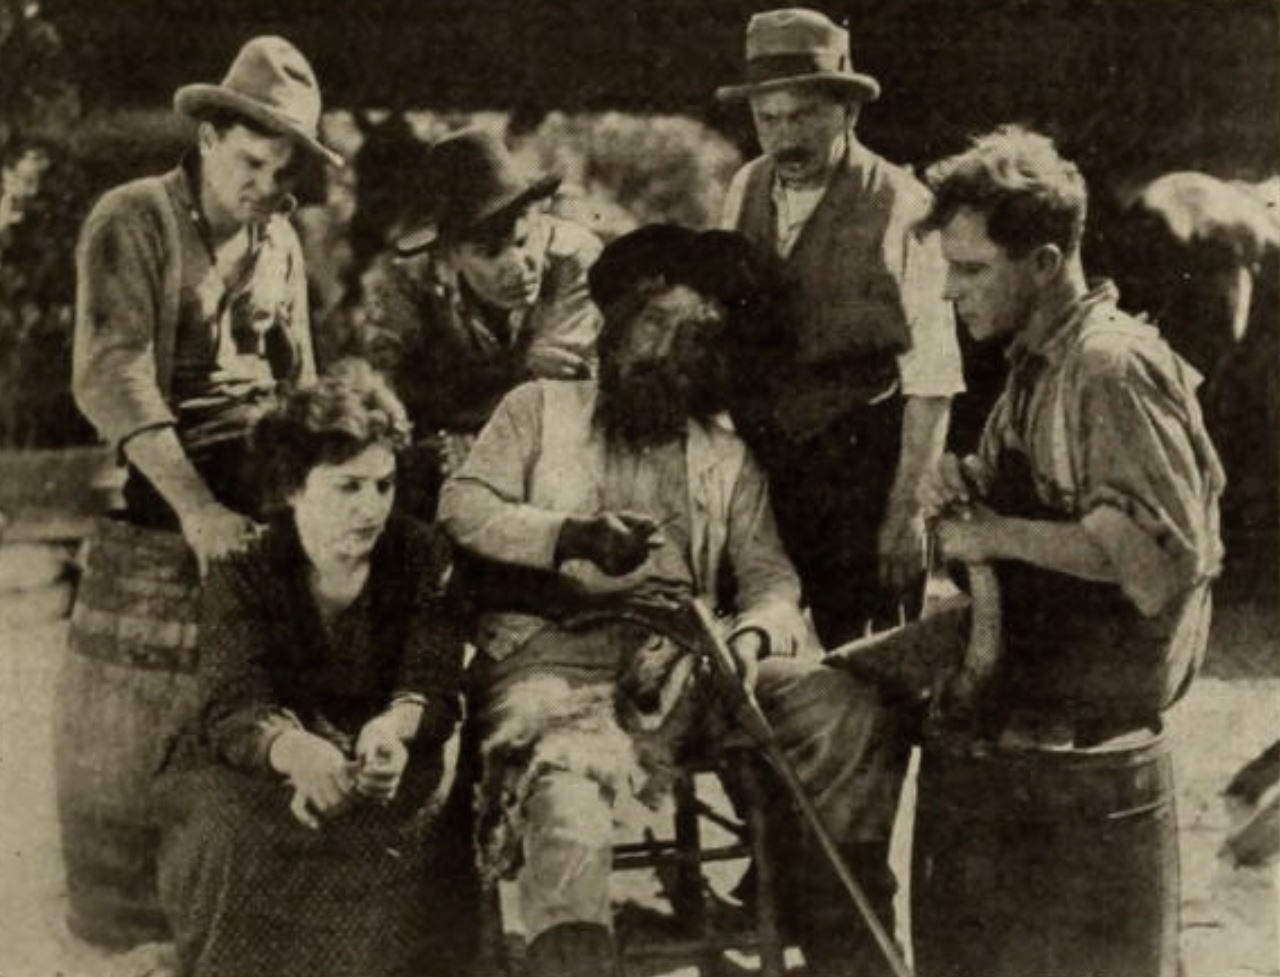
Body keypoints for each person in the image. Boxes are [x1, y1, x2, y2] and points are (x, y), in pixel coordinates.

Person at [438, 225, 909, 977]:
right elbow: (463, 504)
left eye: (693, 335)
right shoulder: (539, 407)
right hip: (556, 661)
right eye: (654, 322)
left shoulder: (722, 453)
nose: (663, 348)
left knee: (844, 706)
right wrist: (570, 534)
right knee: (568, 796)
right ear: (619, 324)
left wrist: (754, 637)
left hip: (691, 665)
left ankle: (835, 937)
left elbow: (770, 577)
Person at [834, 126, 1224, 977]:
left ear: (1046, 263)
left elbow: (1159, 559)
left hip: (1086, 790)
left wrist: (993, 533)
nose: (951, 292)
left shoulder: (1109, 368)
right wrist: (961, 480)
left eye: (971, 270)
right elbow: (1055, 493)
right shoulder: (1037, 368)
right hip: (1019, 764)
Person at [152, 360, 466, 977]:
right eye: (347, 487)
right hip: (258, 749)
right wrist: (294, 750)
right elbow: (232, 699)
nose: (371, 508)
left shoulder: (419, 554)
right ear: (294, 486)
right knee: (231, 827)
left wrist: (389, 734)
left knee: (418, 807)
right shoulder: (244, 566)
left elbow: (431, 675)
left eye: (384, 484)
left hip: (385, 741)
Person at [716, 7, 964, 646]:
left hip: (860, 472)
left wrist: (906, 514)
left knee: (866, 655)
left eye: (803, 116)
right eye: (768, 118)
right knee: (752, 643)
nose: (785, 137)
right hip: (763, 467)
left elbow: (932, 378)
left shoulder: (902, 205)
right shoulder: (744, 187)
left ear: (847, 111)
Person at [72, 35, 341, 564]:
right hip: (186, 465)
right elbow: (112, 375)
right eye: (252, 163)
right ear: (209, 138)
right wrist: (199, 510)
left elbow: (302, 380)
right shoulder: (134, 217)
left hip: (271, 453)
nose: (268, 186)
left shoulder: (281, 239)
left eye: (284, 171)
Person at [343, 126, 603, 519]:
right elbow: (378, 387)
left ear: (538, 220)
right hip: (442, 453)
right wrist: (422, 442)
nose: (518, 267)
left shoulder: (574, 259)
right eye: (490, 252)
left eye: (522, 241)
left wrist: (471, 438)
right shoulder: (403, 280)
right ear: (447, 257)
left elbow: (549, 390)